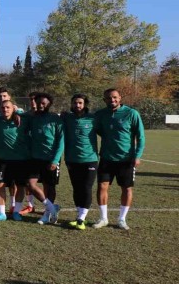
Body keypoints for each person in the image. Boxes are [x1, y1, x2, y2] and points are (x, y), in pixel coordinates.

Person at [93, 88, 145, 230]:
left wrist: (137, 156)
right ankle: (103, 218)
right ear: (104, 100)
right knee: (102, 187)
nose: (112, 100)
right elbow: (96, 129)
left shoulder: (131, 113)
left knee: (126, 188)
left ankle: (122, 219)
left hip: (126, 159)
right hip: (106, 158)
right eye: (109, 98)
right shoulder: (100, 114)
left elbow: (141, 136)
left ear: (120, 98)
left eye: (115, 97)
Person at [0, 100, 31, 222]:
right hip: (3, 160)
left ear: (13, 108)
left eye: (8, 107)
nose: (5, 109)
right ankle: (2, 213)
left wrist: (19, 112)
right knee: (0, 185)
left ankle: (16, 212)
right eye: (3, 107)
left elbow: (31, 115)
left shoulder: (22, 120)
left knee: (20, 186)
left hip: (21, 160)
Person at [61, 94, 98, 230]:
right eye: (75, 103)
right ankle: (79, 216)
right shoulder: (67, 118)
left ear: (85, 104)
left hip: (90, 159)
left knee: (86, 187)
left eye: (80, 103)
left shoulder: (93, 118)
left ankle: (81, 218)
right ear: (71, 104)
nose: (77, 105)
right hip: (72, 159)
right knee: (76, 188)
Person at [28, 93, 63, 225]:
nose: (41, 105)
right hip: (35, 158)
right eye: (39, 103)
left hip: (51, 158)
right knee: (30, 184)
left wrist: (55, 160)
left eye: (44, 103)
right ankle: (52, 208)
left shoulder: (55, 119)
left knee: (49, 186)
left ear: (49, 104)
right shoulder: (32, 117)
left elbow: (61, 141)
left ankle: (47, 214)